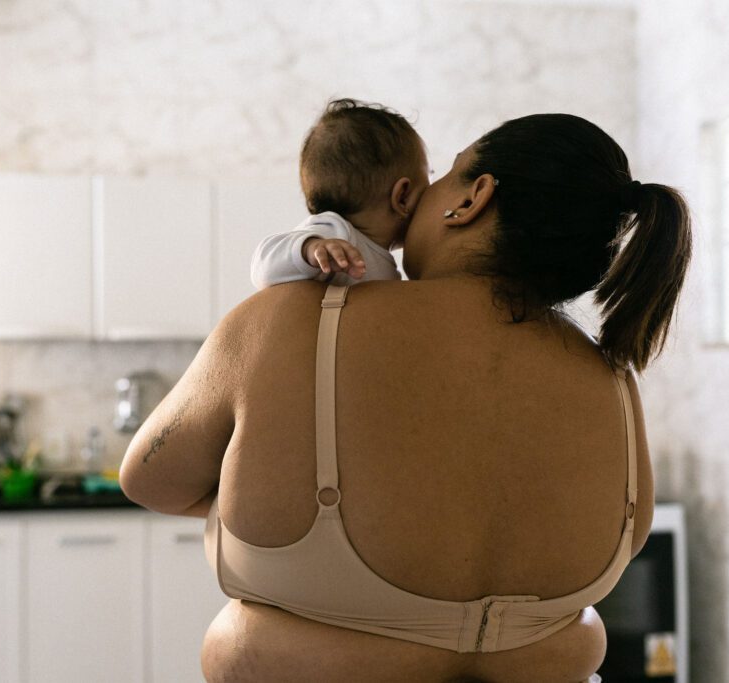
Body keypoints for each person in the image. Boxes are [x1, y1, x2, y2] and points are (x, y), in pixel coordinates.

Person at [119, 112, 692, 682]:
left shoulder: (288, 320)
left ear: (472, 201)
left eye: (444, 175)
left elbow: (150, 478)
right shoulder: (610, 376)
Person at [250, 98, 429, 288]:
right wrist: (310, 249)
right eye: (429, 178)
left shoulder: (379, 257)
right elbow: (263, 266)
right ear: (402, 197)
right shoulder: (337, 233)